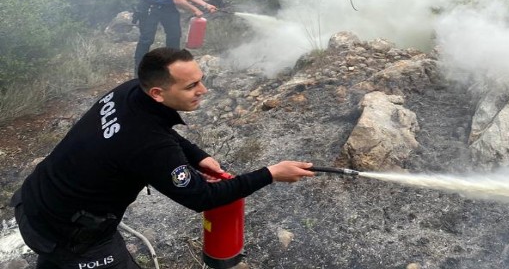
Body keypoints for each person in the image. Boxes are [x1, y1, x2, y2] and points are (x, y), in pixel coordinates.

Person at [10, 47, 315, 268]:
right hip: (74, 234)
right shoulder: (146, 144)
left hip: (35, 200)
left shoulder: (130, 91)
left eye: (201, 79)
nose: (203, 90)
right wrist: (271, 173)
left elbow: (159, 131)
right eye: (191, 85)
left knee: (57, 258)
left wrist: (198, 157)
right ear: (158, 92)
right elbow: (202, 197)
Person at [133, 0, 219, 74]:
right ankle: (139, 71)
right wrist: (194, 10)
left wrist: (205, 5)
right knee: (147, 39)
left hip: (167, 7)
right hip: (150, 6)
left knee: (174, 35)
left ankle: (172, 67)